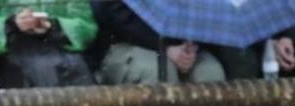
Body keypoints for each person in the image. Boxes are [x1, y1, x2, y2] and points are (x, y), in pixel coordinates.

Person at [0, 0, 97, 87]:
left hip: (65, 58)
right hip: (8, 61)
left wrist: (54, 25)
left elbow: (87, 27)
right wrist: (12, 25)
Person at [92, 1, 227, 83]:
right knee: (161, 75)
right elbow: (108, 12)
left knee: (211, 74)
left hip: (183, 45)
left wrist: (192, 44)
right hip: (126, 44)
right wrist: (165, 48)